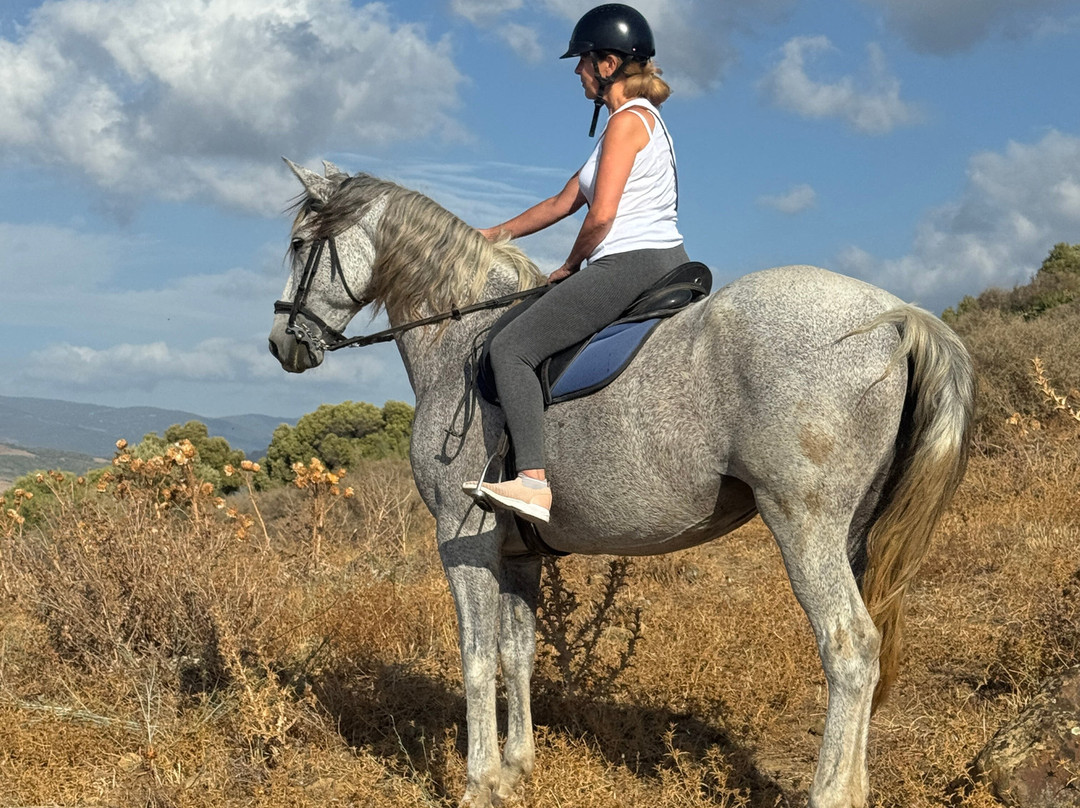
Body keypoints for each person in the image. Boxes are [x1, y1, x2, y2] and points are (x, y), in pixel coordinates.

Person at [465, 3, 687, 524]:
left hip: (631, 263)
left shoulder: (627, 123)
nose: (576, 71)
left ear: (608, 63)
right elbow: (562, 203)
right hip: (660, 257)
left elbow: (601, 216)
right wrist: (486, 236)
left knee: (512, 347)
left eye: (583, 60)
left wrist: (568, 265)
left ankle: (532, 482)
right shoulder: (632, 125)